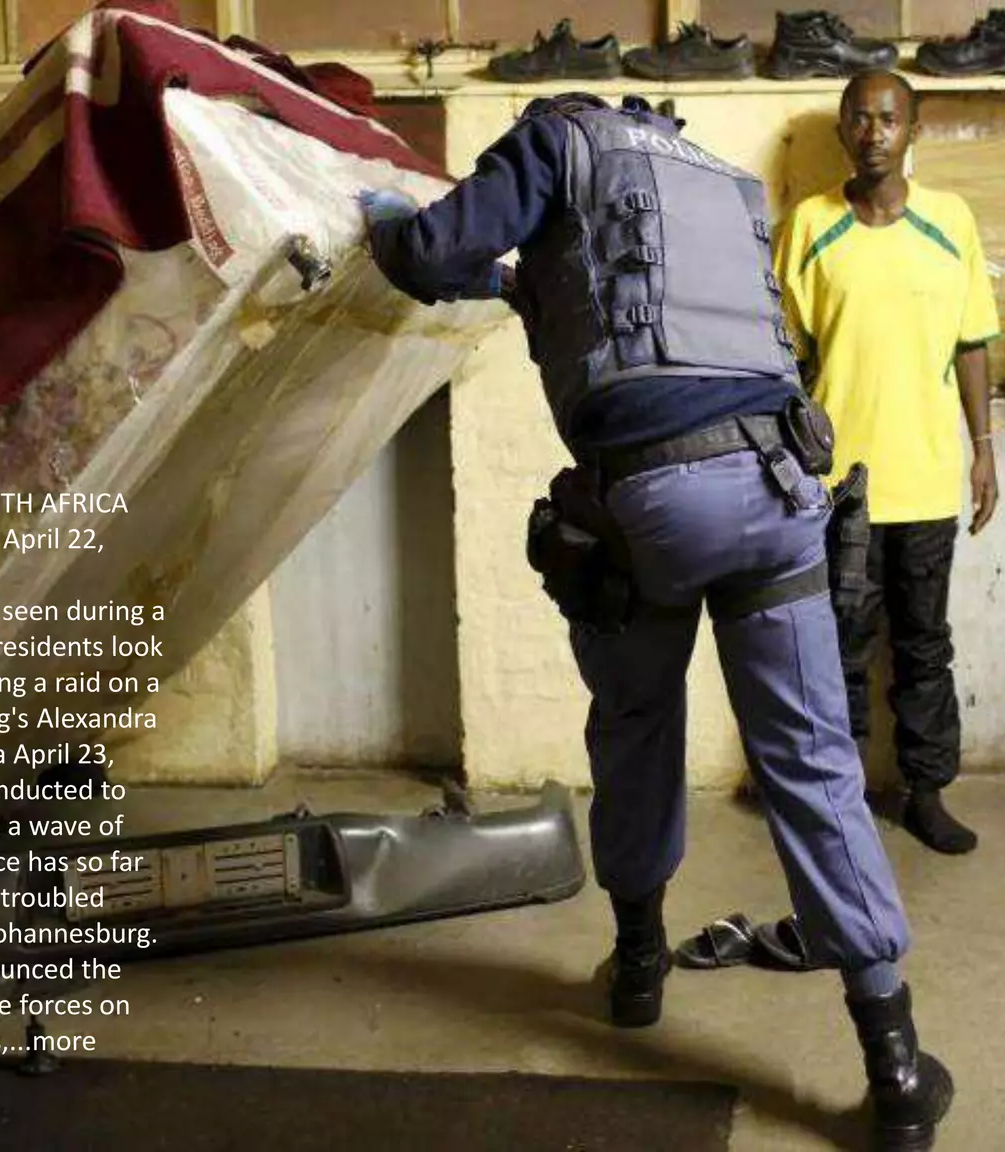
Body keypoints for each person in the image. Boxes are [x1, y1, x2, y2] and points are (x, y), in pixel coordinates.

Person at [363, 93, 954, 1148]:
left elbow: (429, 251)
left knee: (637, 725)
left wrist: (378, 223)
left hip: (653, 503)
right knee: (811, 760)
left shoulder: (556, 137)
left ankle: (638, 969)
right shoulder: (715, 179)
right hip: (779, 489)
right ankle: (895, 1064)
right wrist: (515, 286)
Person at [774, 70, 1001, 855]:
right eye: (859, 119)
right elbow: (782, 358)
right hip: (839, 490)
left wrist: (986, 451)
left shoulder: (951, 223)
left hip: (929, 476)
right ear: (842, 131)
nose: (874, 132)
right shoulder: (808, 225)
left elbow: (973, 343)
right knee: (835, 649)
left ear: (913, 131)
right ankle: (836, 800)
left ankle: (926, 792)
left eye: (888, 119)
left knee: (924, 644)